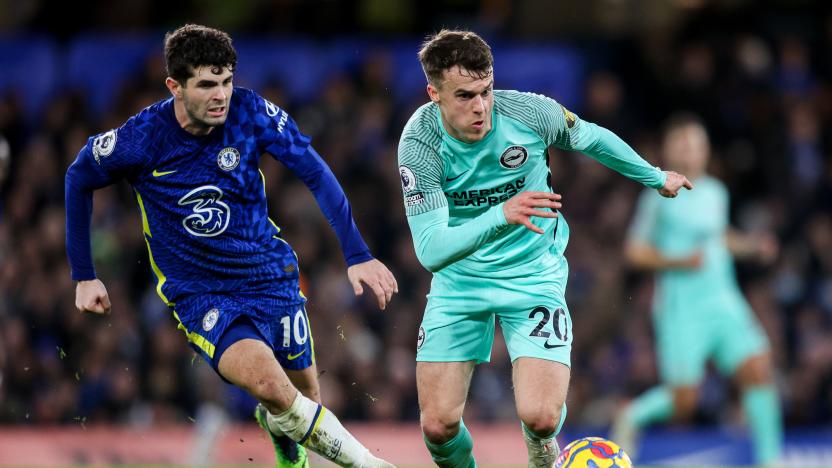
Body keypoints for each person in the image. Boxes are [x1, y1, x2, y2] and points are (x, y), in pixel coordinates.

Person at [65, 24, 398, 468]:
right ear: (175, 87)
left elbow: (315, 172)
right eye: (206, 84)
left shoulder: (250, 111)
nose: (220, 94)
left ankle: (286, 448)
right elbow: (78, 176)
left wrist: (356, 254)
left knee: (303, 398)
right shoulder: (142, 137)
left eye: (226, 81)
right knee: (272, 387)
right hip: (200, 292)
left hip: (268, 275)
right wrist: (84, 275)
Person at [396, 29, 692, 468]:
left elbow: (591, 138)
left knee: (540, 416)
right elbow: (432, 250)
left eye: (486, 91)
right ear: (433, 93)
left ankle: (542, 453)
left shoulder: (529, 112)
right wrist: (501, 214)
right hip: (460, 280)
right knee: (437, 427)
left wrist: (654, 176)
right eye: (464, 96)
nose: (481, 107)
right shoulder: (419, 143)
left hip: (533, 273)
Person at [611, 114, 783, 464]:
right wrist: (677, 262)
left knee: (759, 371)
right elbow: (633, 251)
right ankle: (630, 416)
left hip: (723, 300)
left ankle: (771, 462)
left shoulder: (716, 192)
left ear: (705, 150)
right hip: (681, 307)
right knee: (683, 401)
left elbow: (719, 238)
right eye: (682, 143)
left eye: (695, 143)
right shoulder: (658, 194)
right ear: (669, 150)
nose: (689, 151)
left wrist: (752, 246)